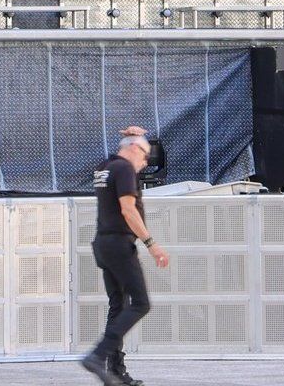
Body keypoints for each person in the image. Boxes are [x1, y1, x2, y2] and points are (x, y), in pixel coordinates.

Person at [81, 128, 169, 386]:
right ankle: (97, 356)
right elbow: (128, 210)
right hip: (120, 244)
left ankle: (115, 370)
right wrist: (152, 244)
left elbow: (125, 145)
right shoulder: (124, 169)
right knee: (141, 303)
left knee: (119, 305)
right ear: (133, 149)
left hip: (103, 243)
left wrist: (136, 136)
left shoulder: (104, 166)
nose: (144, 164)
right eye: (144, 157)